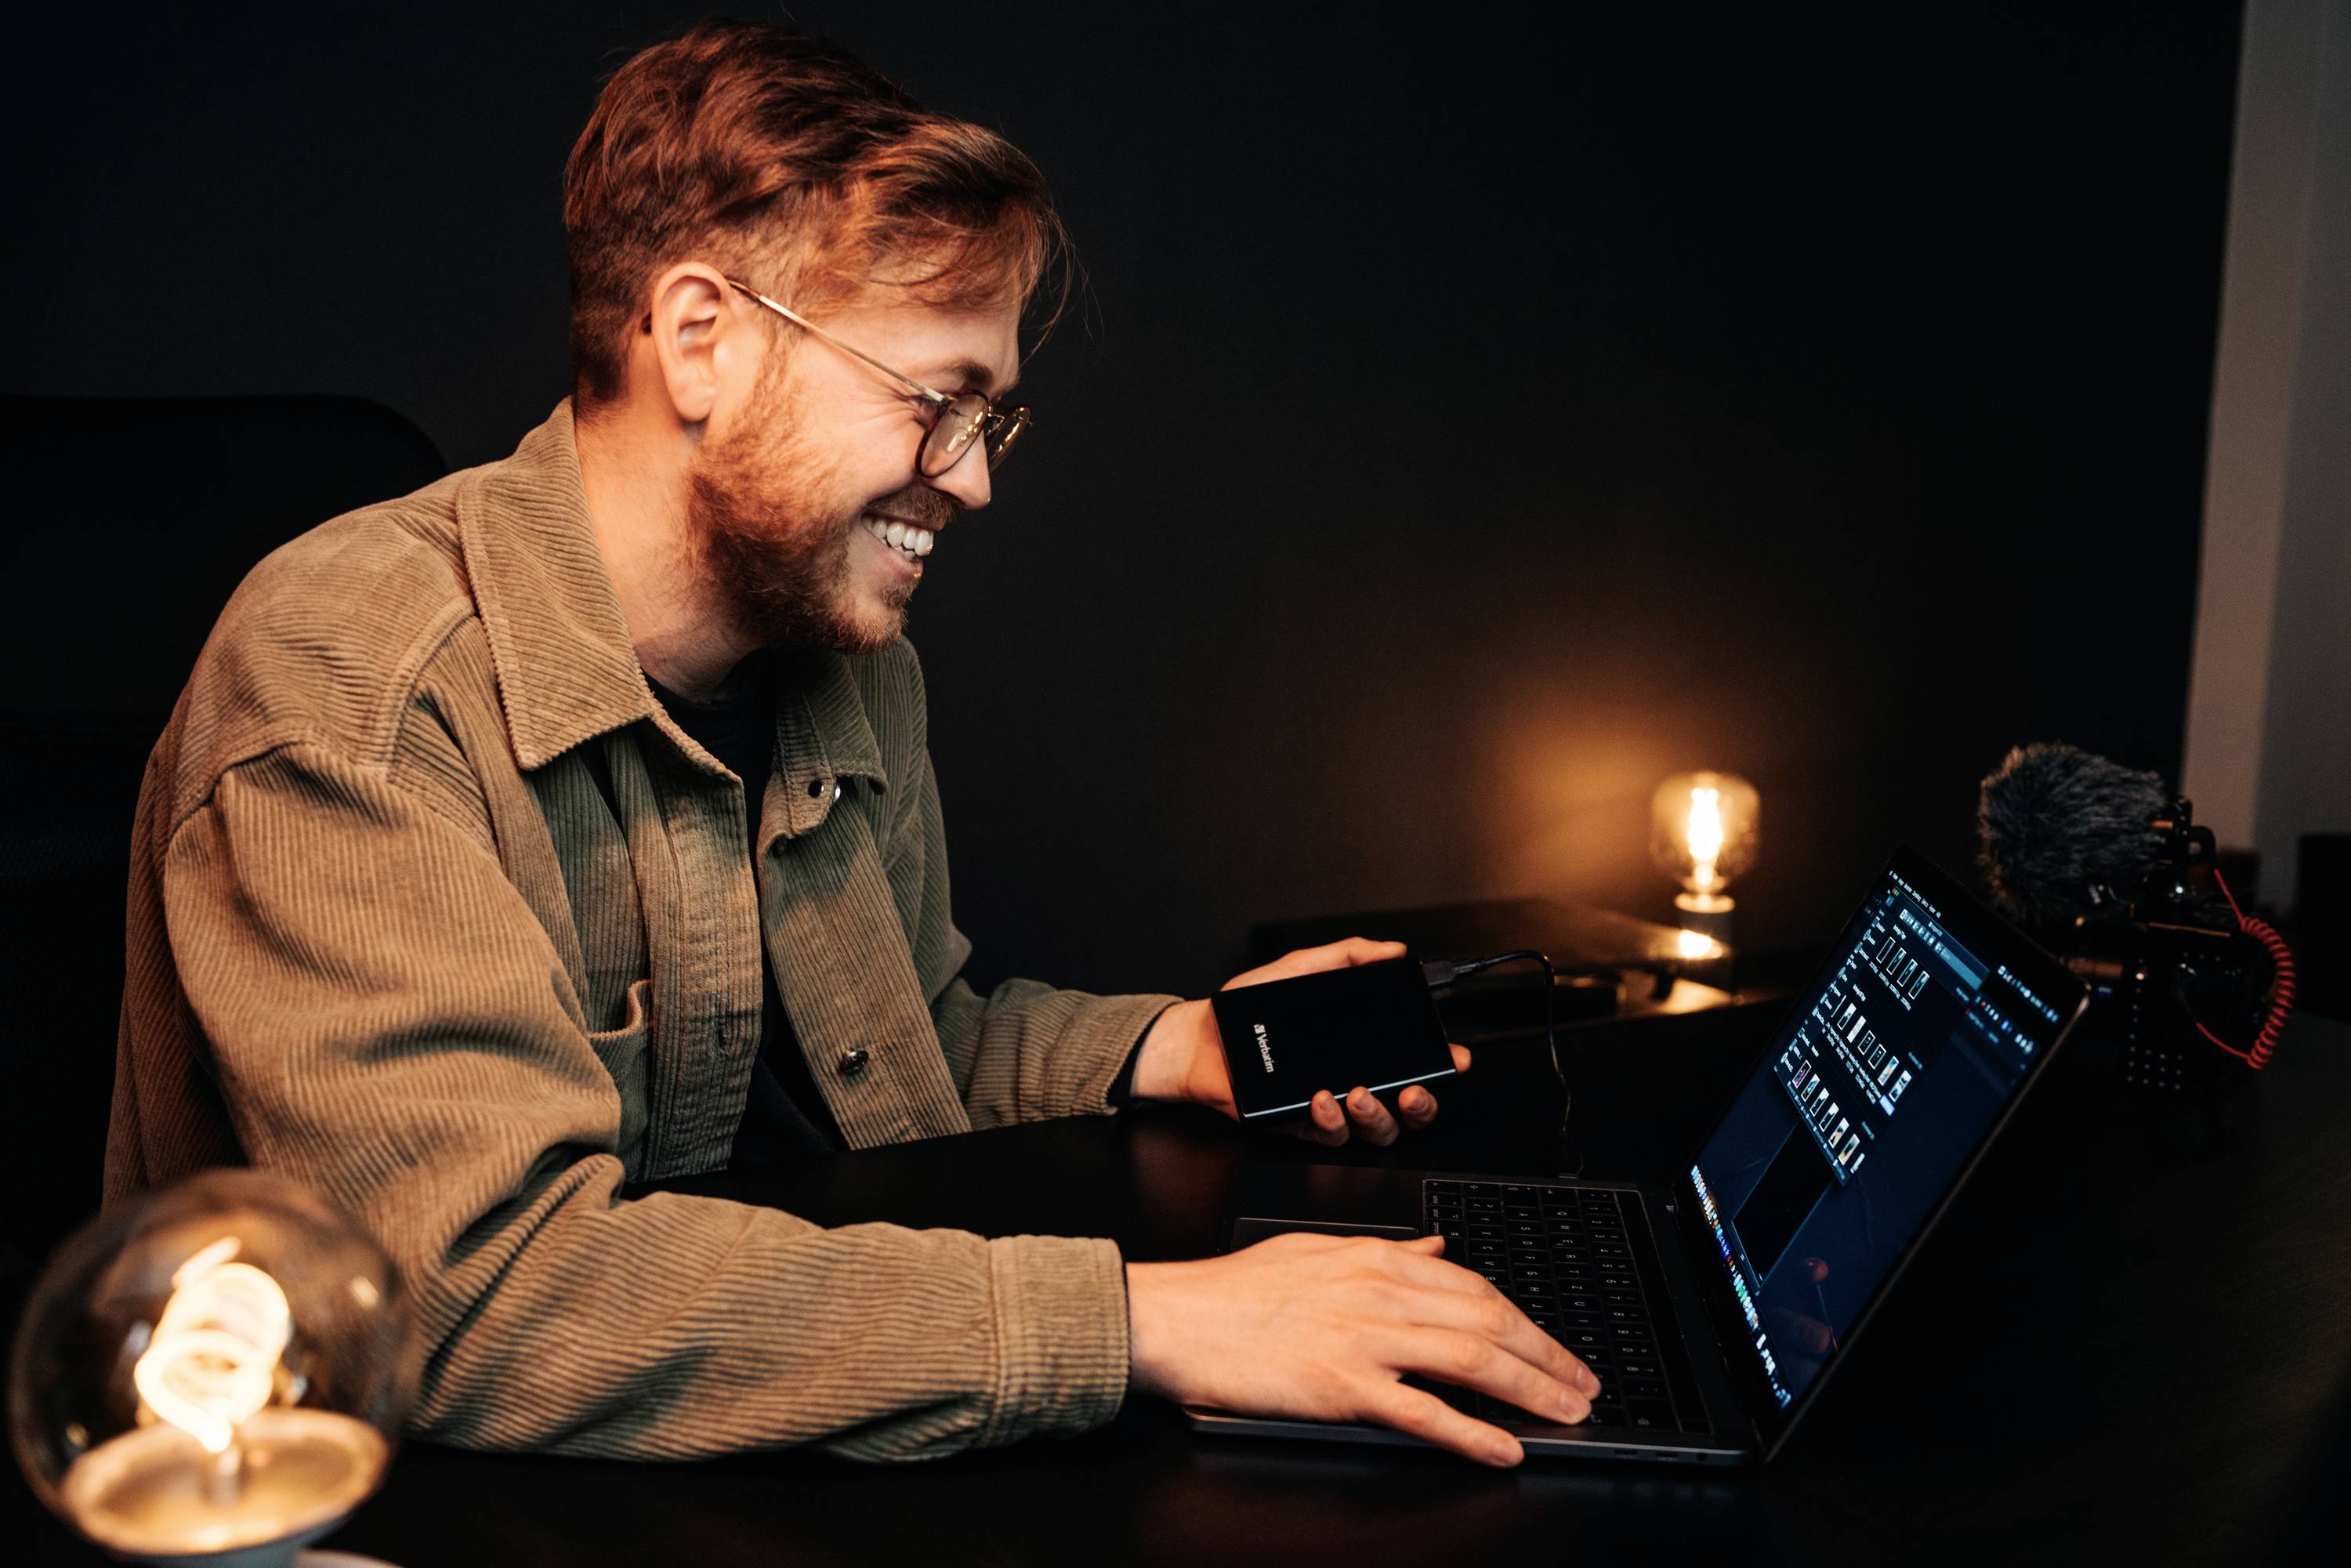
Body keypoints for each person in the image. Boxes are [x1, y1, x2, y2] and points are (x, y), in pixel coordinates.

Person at [105, 19, 1596, 1468]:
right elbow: (480, 1294)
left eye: (990, 418)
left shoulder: (845, 654)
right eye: (938, 399)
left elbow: (903, 1045)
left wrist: (1178, 1046)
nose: (974, 481)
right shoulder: (351, 687)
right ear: (702, 341)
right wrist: (1147, 1324)